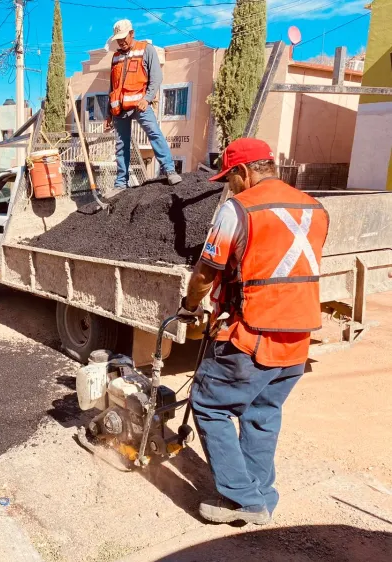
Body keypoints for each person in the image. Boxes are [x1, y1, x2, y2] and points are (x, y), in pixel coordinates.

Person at [178, 138, 329, 525]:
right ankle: (261, 495)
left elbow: (206, 273)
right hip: (298, 338)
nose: (229, 186)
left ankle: (243, 499)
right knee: (262, 413)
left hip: (254, 335)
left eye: (230, 178)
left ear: (245, 172)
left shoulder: (238, 209)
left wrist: (190, 306)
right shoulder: (315, 208)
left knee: (209, 404)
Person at [104, 19, 182, 187]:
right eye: (118, 39)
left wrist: (147, 99)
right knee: (121, 145)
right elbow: (112, 87)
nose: (121, 42)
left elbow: (156, 78)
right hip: (119, 109)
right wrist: (108, 113)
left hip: (141, 105)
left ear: (132, 33)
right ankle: (120, 182)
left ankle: (169, 170)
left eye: (124, 37)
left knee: (154, 133)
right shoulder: (116, 57)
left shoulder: (146, 49)